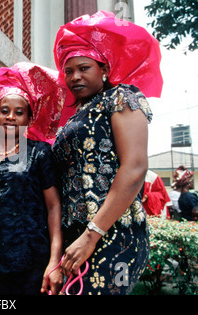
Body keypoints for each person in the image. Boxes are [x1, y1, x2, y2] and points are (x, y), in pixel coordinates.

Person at [51, 11, 163, 295]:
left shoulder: (121, 97)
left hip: (113, 232)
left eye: (83, 68)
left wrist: (92, 235)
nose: (74, 76)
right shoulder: (76, 115)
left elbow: (135, 168)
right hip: (75, 234)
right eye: (68, 71)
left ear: (103, 69)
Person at [0, 62, 65, 295]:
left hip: (32, 261)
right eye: (5, 111)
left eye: (19, 112)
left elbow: (54, 207)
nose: (11, 117)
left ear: (29, 119)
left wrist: (55, 261)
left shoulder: (39, 153)